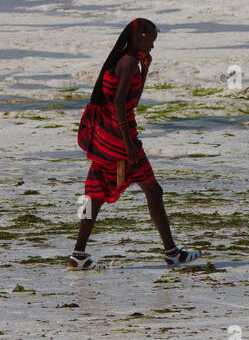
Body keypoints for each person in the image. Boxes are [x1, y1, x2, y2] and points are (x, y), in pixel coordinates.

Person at [70, 18, 200, 269]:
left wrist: (146, 70)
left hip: (106, 138)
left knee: (94, 195)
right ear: (140, 35)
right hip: (119, 140)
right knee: (153, 191)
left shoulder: (127, 62)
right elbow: (120, 103)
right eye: (151, 38)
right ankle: (172, 253)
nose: (153, 44)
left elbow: (131, 101)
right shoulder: (128, 63)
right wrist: (128, 144)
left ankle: (78, 254)